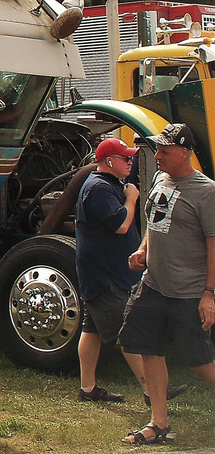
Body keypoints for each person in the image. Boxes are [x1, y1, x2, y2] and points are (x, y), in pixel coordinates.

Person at [119, 123, 215, 444]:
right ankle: (158, 424)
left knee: (200, 363)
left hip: (187, 293)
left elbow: (214, 246)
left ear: (184, 153)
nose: (157, 155)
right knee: (147, 348)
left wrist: (208, 294)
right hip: (153, 285)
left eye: (164, 150)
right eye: (157, 149)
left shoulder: (206, 192)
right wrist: (143, 249)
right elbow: (155, 221)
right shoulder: (161, 178)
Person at [74, 138, 149, 402]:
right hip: (105, 276)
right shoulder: (99, 189)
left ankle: (87, 388)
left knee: (91, 329)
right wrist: (131, 199)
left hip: (102, 272)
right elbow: (120, 225)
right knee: (128, 331)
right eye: (125, 158)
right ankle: (152, 390)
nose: (130, 162)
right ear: (109, 162)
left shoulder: (106, 184)